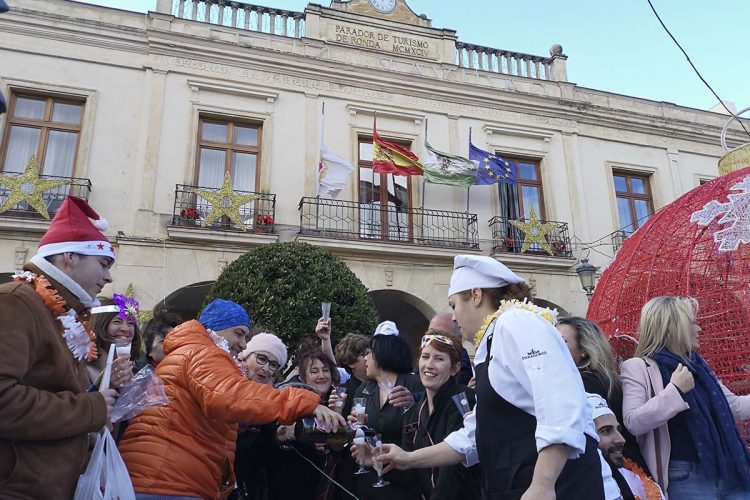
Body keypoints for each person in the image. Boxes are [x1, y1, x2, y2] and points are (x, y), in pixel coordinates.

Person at [378, 255, 618, 500]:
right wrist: (407, 459)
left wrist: (542, 484)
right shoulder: (489, 346)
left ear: (476, 295)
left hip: (561, 488)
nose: (453, 317)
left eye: (453, 305)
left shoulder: (517, 321)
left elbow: (561, 402)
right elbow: (475, 434)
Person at [118, 299, 344, 500]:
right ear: (214, 329)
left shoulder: (191, 351)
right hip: (167, 479)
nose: (244, 344)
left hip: (168, 477)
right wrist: (307, 402)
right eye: (238, 333)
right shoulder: (203, 352)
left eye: (246, 336)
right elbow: (231, 396)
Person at [0, 196, 119, 498]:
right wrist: (91, 408)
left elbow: (49, 389)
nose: (108, 277)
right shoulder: (16, 301)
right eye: (103, 263)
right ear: (69, 256)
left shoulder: (57, 311)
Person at [621, 296, 750, 498]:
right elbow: (633, 421)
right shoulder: (638, 367)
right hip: (685, 476)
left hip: (727, 469)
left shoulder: (699, 367)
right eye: (693, 323)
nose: (699, 329)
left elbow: (734, 406)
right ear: (674, 328)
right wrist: (675, 390)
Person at [558, 316, 648, 473]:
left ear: (585, 350)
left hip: (616, 469)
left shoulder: (584, 382)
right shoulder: (602, 379)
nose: (553, 345)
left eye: (562, 341)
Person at [402, 330, 480, 499]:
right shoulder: (413, 413)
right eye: (425, 356)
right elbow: (409, 471)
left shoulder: (464, 401)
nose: (429, 365)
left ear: (455, 368)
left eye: (439, 358)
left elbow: (455, 467)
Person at [353, 332, 421, 499]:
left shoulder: (415, 385)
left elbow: (425, 427)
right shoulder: (364, 390)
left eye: (368, 353)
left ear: (382, 354)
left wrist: (413, 406)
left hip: (408, 479)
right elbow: (361, 430)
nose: (365, 359)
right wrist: (355, 428)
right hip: (371, 479)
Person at [233, 332, 289, 500]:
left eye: (273, 364)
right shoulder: (228, 383)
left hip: (251, 483)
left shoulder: (271, 399)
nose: (265, 368)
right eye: (261, 358)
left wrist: (276, 438)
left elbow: (264, 455)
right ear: (247, 355)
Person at [589, 394, 665, 500]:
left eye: (618, 430)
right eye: (605, 431)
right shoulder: (575, 486)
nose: (621, 440)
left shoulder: (638, 481)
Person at [86, 295, 143, 389]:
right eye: (117, 322)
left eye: (130, 323)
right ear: (100, 324)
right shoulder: (82, 368)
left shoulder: (138, 367)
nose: (125, 328)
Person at [429, 312, 473, 386]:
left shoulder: (462, 368)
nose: (432, 338)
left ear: (458, 338)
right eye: (430, 333)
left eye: (440, 335)